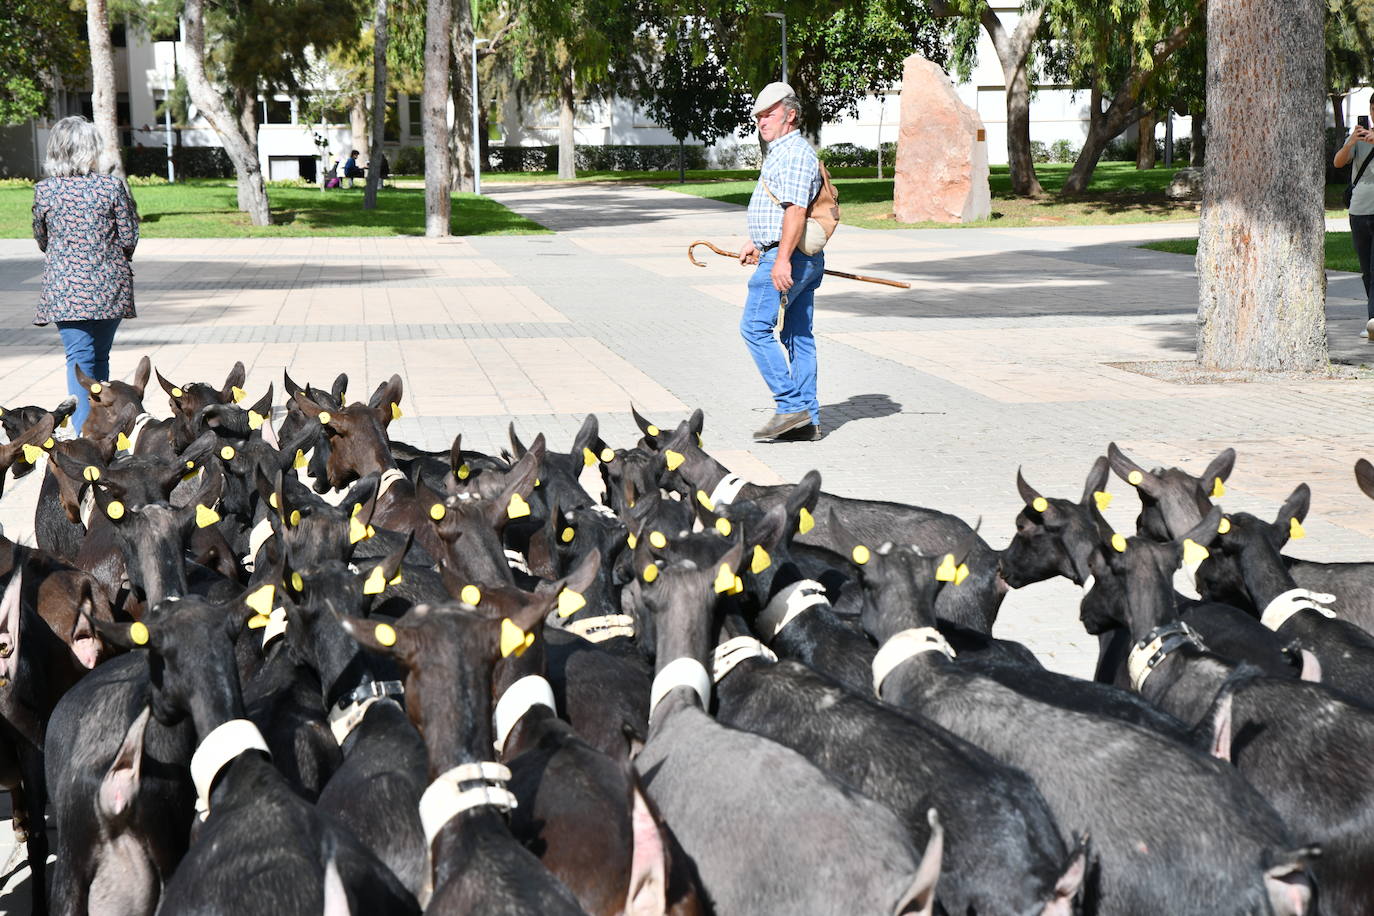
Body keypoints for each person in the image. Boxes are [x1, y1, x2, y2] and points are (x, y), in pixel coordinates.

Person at [31, 115, 139, 434]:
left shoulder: (45, 191)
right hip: (109, 286)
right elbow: (129, 237)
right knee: (99, 358)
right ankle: (98, 430)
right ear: (90, 149)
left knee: (79, 359)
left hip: (66, 288)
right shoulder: (111, 187)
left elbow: (41, 237)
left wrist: (65, 256)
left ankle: (83, 434)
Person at [738, 82, 826, 442]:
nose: (762, 121)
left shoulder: (794, 154)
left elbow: (796, 211)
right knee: (796, 334)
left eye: (769, 114)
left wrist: (781, 259)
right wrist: (757, 242)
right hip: (789, 253)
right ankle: (808, 421)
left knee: (754, 327)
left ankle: (791, 406)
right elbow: (779, 207)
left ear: (790, 115)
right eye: (759, 116)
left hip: (787, 257)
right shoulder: (783, 152)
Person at [1335, 100, 1374, 340]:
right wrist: (1351, 142)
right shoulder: (1359, 138)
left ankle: (1373, 321)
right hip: (1359, 211)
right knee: (1367, 272)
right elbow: (1338, 162)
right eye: (1373, 110)